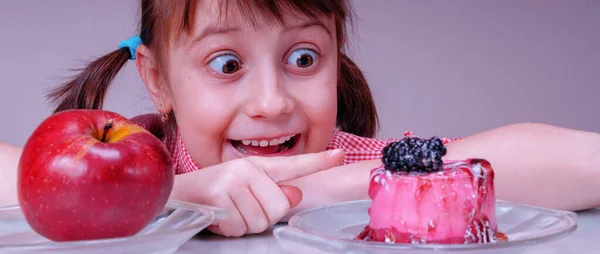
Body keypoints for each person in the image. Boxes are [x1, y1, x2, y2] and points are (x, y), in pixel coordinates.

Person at [1, 0, 599, 238]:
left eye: (304, 58)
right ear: (158, 81)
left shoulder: (350, 160)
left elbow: (583, 162)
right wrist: (174, 195)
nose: (273, 102)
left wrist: (320, 190)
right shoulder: (138, 151)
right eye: (227, 63)